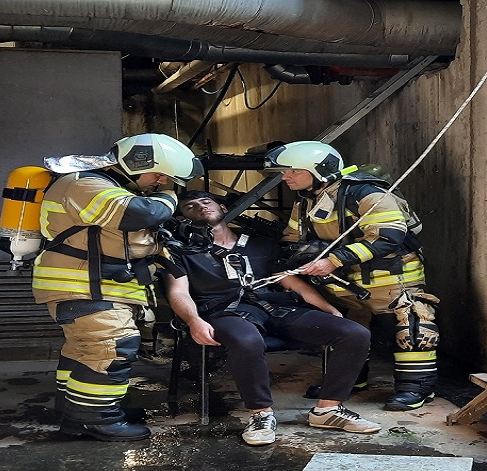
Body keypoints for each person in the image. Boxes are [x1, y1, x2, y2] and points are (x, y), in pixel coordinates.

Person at [163, 191, 382, 446]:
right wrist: (193, 321)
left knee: (354, 332)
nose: (200, 207)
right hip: (223, 312)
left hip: (275, 308)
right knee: (247, 340)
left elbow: (291, 282)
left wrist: (329, 310)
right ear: (182, 216)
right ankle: (261, 415)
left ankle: (328, 410)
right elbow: (177, 292)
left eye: (206, 202)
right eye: (191, 206)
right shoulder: (180, 251)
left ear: (223, 207)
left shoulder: (260, 244)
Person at [33, 133, 202, 441]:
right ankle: (96, 420)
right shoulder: (83, 183)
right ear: (139, 162)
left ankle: (79, 411)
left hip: (92, 285)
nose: (161, 181)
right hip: (83, 284)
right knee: (110, 347)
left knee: (84, 350)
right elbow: (140, 213)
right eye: (159, 174)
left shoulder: (109, 186)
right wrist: (169, 195)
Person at [264, 141, 441, 411]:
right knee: (343, 330)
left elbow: (389, 237)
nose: (285, 177)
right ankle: (349, 379)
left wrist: (333, 260)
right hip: (342, 281)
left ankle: (416, 388)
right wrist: (299, 257)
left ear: (319, 170)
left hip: (391, 278)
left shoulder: (366, 193)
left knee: (411, 327)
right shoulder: (306, 202)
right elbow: (292, 238)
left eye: (293, 171)